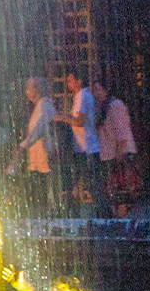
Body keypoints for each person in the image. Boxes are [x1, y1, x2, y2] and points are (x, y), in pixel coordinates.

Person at [55, 71, 106, 217]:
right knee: (80, 181)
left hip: (87, 148)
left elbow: (79, 121)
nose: (68, 83)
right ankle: (73, 211)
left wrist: (62, 118)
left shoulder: (82, 96)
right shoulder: (81, 96)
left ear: (78, 81)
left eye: (70, 79)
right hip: (83, 147)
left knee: (92, 183)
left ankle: (102, 214)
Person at [9, 77, 58, 214]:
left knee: (42, 191)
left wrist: (23, 146)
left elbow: (37, 130)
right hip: (38, 159)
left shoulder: (44, 106)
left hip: (44, 159)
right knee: (39, 191)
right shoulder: (41, 106)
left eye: (28, 88)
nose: (26, 92)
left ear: (36, 90)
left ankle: (45, 218)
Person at [92, 78, 140, 216]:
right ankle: (116, 218)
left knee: (122, 189)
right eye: (95, 90)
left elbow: (122, 130)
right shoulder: (102, 107)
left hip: (120, 153)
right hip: (109, 153)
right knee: (113, 190)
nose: (97, 93)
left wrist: (121, 151)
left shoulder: (115, 105)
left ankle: (121, 219)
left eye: (99, 89)